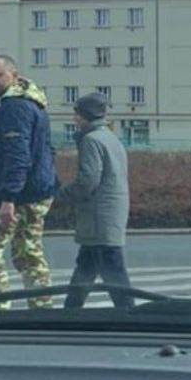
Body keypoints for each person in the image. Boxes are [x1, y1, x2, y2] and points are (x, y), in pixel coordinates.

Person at [0, 54, 59, 310]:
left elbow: (17, 155)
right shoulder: (34, 104)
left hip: (18, 196)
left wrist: (8, 198)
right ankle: (42, 308)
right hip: (36, 191)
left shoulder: (14, 108)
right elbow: (46, 150)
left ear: (14, 76)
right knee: (29, 254)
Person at [57, 93, 134, 312]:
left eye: (76, 113)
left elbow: (88, 180)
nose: (74, 118)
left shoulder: (91, 140)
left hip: (99, 214)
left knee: (112, 269)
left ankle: (129, 314)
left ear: (84, 115)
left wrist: (63, 194)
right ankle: (70, 311)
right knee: (86, 265)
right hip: (110, 212)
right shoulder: (110, 137)